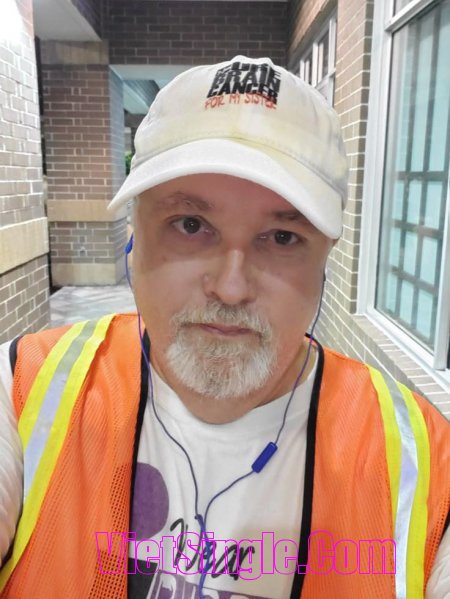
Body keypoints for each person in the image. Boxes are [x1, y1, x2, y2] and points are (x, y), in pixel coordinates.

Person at [0, 55, 448, 599]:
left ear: (325, 257)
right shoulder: (23, 391)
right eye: (190, 225)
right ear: (134, 238)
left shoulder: (424, 463)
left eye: (282, 238)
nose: (231, 288)